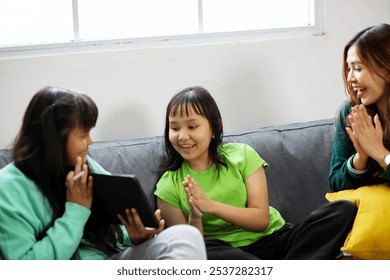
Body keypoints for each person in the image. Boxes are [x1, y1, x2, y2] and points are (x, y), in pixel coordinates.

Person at [0, 86, 207, 260]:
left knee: (185, 236)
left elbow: (110, 229)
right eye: (83, 134)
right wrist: (76, 211)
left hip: (110, 259)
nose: (90, 142)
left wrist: (134, 236)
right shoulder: (8, 188)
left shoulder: (83, 164)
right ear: (54, 139)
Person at [154, 86, 357, 260]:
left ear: (214, 128)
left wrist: (211, 206)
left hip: (275, 241)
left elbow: (260, 221)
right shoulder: (168, 186)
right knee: (209, 250)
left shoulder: (243, 155)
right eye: (174, 128)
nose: (182, 136)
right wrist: (196, 217)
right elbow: (190, 252)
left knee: (343, 209)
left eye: (192, 126)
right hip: (228, 255)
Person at [329, 23, 390, 191]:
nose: (349, 78)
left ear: (386, 69)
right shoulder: (350, 111)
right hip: (366, 213)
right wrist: (360, 158)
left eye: (357, 68)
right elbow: (335, 184)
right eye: (349, 68)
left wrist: (380, 154)